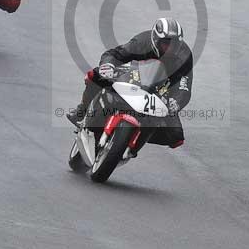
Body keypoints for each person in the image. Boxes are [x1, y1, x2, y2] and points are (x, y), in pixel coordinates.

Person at [67, 17, 193, 154]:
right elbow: (115, 54)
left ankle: (136, 139)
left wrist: (176, 102)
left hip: (162, 90)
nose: (170, 49)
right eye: (165, 44)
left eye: (174, 45)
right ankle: (82, 112)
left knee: (176, 137)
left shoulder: (184, 56)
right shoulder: (141, 42)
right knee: (95, 75)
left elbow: (184, 87)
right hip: (134, 75)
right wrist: (108, 65)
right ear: (155, 40)